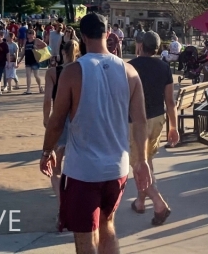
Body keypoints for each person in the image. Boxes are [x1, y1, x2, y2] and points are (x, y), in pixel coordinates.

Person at [40, 13, 152, 253]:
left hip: (84, 170)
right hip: (117, 168)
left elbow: (57, 120)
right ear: (108, 33)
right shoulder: (130, 71)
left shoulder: (72, 72)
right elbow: (140, 121)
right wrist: (141, 160)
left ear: (82, 37)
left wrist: (47, 150)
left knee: (84, 238)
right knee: (107, 224)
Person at [127, 31, 178, 225]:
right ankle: (140, 201)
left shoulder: (130, 67)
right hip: (157, 118)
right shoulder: (164, 67)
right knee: (146, 159)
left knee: (138, 164)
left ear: (139, 45)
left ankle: (159, 204)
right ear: (157, 48)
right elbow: (170, 101)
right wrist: (173, 127)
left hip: (135, 121)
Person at [43, 39, 81, 221]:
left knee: (55, 170)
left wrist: (46, 119)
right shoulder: (81, 71)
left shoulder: (54, 72)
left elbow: (47, 100)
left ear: (62, 53)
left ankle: (62, 207)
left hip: (60, 118)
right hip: (78, 119)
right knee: (76, 166)